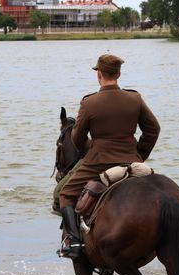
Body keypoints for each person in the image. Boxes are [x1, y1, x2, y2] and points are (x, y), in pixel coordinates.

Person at [58, 54, 161, 259]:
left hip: (97, 163)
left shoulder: (89, 103)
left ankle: (75, 242)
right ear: (119, 74)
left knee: (65, 194)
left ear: (99, 74)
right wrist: (139, 155)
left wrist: (90, 149)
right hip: (131, 162)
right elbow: (153, 129)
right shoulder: (135, 98)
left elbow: (77, 139)